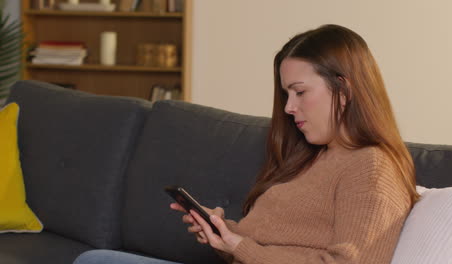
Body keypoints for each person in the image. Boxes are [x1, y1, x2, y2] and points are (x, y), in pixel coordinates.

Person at [74, 24, 419, 264]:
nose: (288, 107)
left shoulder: (371, 167)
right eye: (286, 94)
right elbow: (267, 247)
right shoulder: (315, 157)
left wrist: (238, 245)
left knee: (96, 260)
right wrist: (223, 233)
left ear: (343, 90)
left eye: (300, 92)